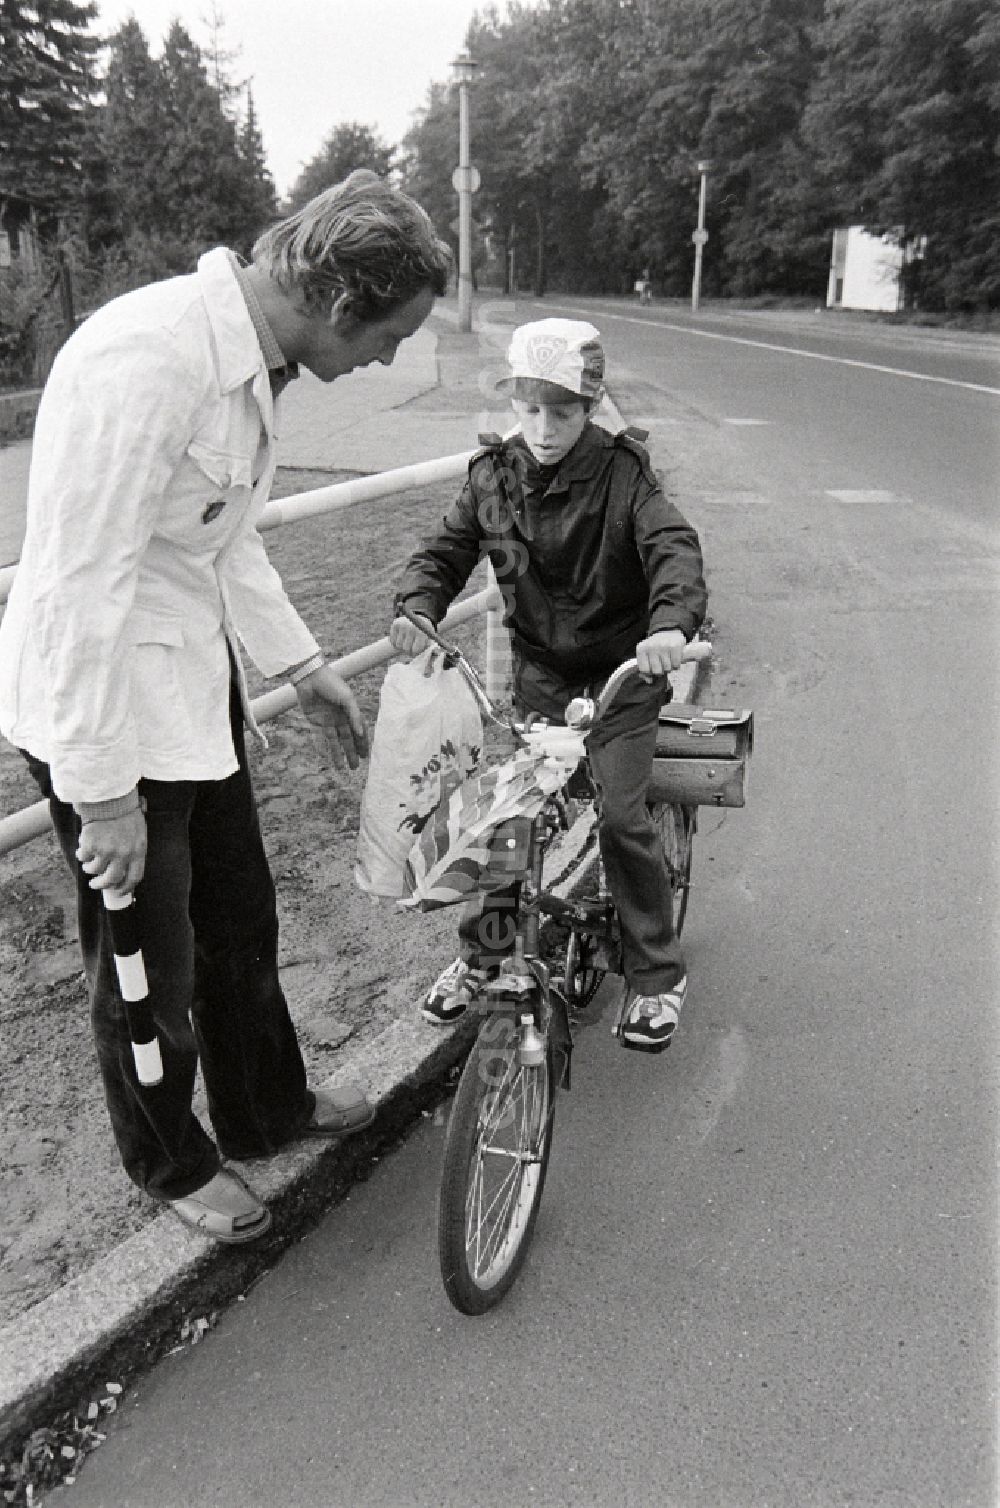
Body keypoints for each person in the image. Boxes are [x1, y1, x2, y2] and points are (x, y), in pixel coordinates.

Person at [0, 171, 451, 1243]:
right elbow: (77, 582)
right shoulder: (144, 360)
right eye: (390, 337)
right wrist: (101, 791)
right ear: (342, 301)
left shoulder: (248, 363)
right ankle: (172, 1161)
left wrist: (302, 667)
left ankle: (265, 1110)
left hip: (194, 704)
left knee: (241, 922)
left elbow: (224, 535)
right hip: (104, 723)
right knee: (148, 967)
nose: (384, 361)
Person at [389, 317, 707, 1053]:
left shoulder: (624, 475)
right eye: (529, 408)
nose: (543, 426)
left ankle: (658, 975)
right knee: (508, 821)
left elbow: (672, 548)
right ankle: (486, 957)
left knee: (623, 818)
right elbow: (445, 549)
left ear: (590, 406)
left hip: (623, 677)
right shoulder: (493, 476)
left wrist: (669, 626)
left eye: (561, 410)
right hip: (539, 676)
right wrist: (418, 605)